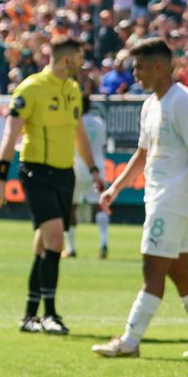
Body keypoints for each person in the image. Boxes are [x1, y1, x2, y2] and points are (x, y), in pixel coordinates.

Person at [91, 39, 188, 359]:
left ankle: (129, 340)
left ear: (159, 67)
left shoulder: (182, 102)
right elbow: (142, 153)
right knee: (179, 271)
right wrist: (116, 187)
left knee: (152, 269)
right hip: (158, 196)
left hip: (173, 198)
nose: (134, 74)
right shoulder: (150, 104)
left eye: (138, 67)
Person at [0, 38, 106, 335]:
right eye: (79, 59)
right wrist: (0, 178)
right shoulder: (31, 88)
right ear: (66, 60)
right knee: (56, 239)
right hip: (36, 172)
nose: (83, 66)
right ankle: (50, 314)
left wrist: (93, 169)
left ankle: (29, 315)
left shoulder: (72, 90)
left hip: (64, 173)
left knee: (44, 244)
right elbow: (10, 135)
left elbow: (79, 135)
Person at [67, 92, 112, 260]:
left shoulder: (73, 122)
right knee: (100, 206)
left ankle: (71, 247)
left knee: (72, 206)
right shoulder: (99, 123)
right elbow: (101, 144)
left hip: (77, 167)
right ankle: (103, 242)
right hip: (97, 167)